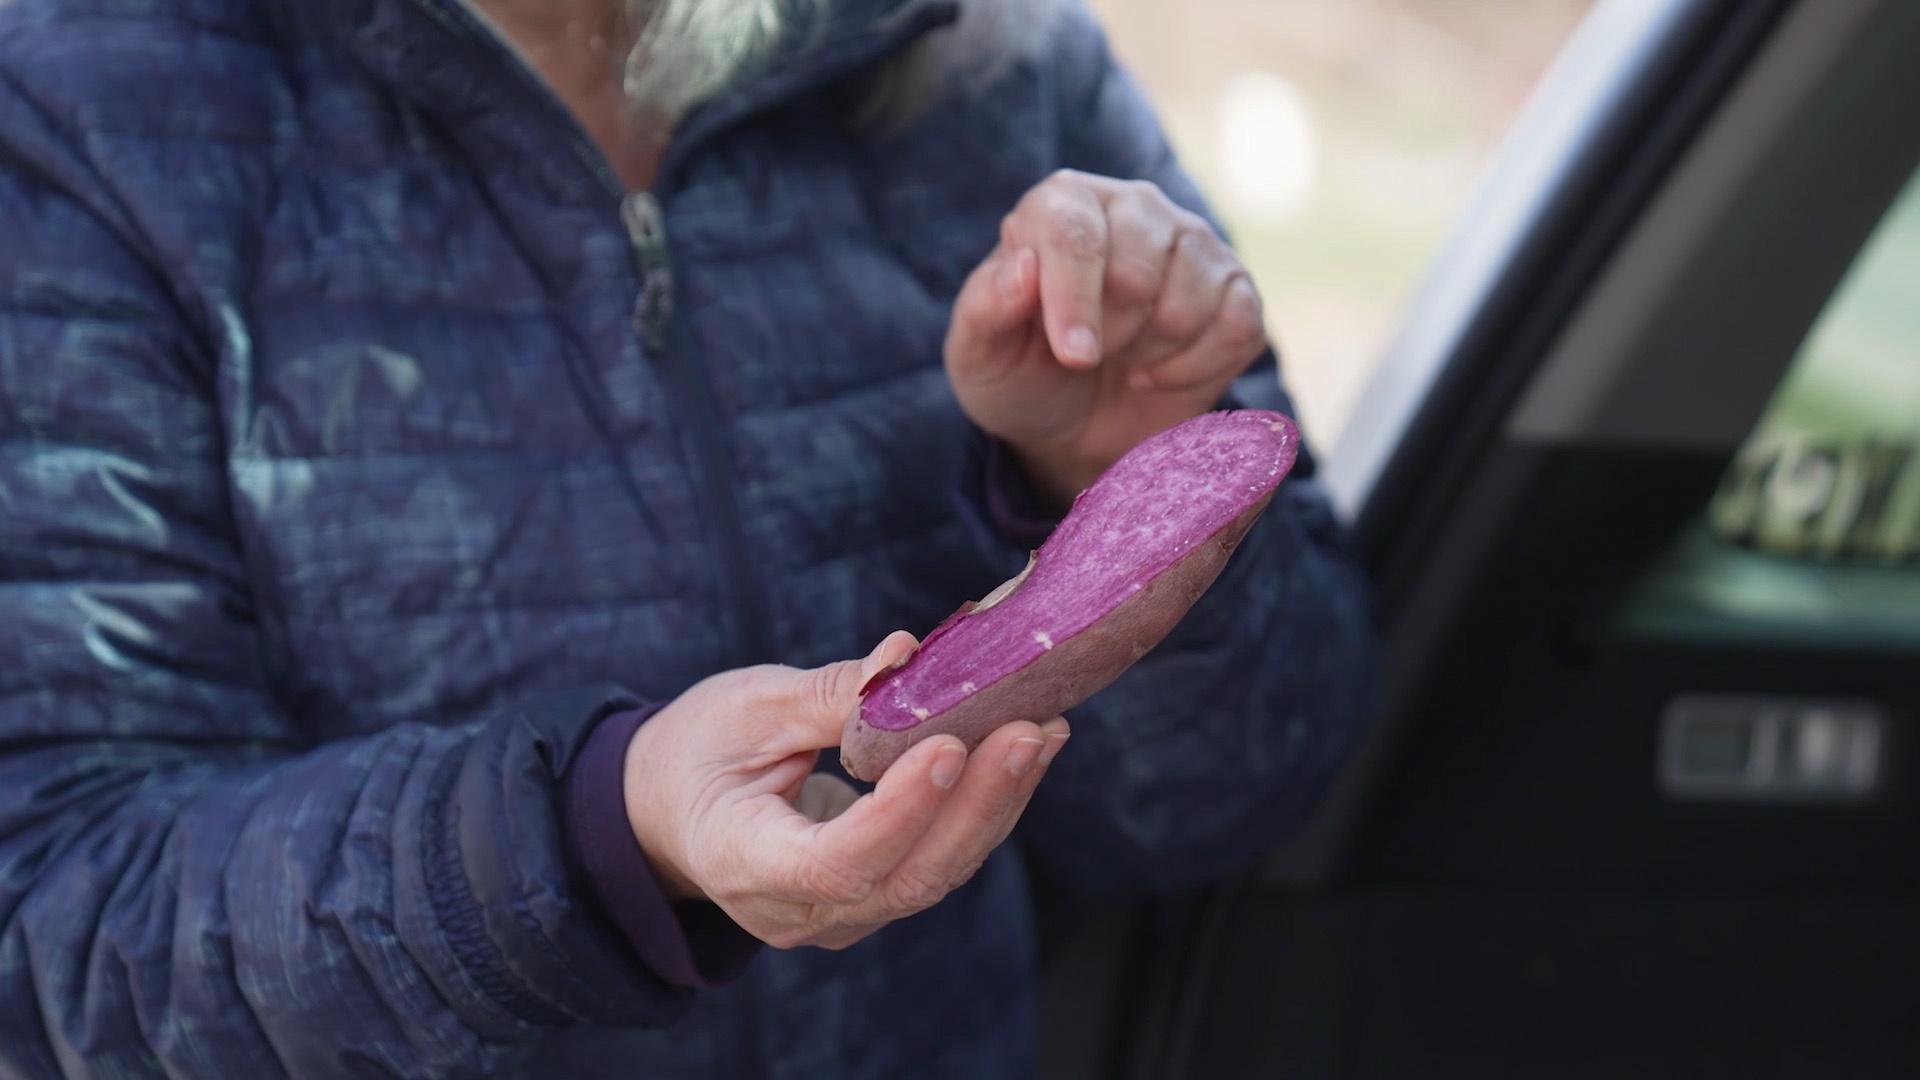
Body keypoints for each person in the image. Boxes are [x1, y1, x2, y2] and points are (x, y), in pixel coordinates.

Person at [0, 0, 1373, 1075]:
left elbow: (1236, 796)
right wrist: (596, 840)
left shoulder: (996, 64)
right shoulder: (76, 118)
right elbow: (53, 923)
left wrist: (1101, 481)